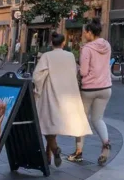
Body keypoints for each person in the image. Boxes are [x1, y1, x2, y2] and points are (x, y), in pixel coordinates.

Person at [33, 33, 91, 168]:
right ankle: (51, 152)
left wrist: (38, 89)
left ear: (51, 43)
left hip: (50, 92)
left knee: (45, 124)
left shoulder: (47, 56)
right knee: (52, 125)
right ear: (63, 43)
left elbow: (37, 76)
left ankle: (54, 149)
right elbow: (75, 72)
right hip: (67, 94)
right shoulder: (70, 56)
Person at [73, 21, 113, 165]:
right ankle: (106, 144)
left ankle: (78, 152)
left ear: (90, 32)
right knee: (98, 119)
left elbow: (83, 72)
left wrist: (77, 68)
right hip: (106, 87)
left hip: (89, 88)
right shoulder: (107, 45)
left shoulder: (87, 48)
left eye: (85, 32)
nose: (84, 34)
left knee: (81, 119)